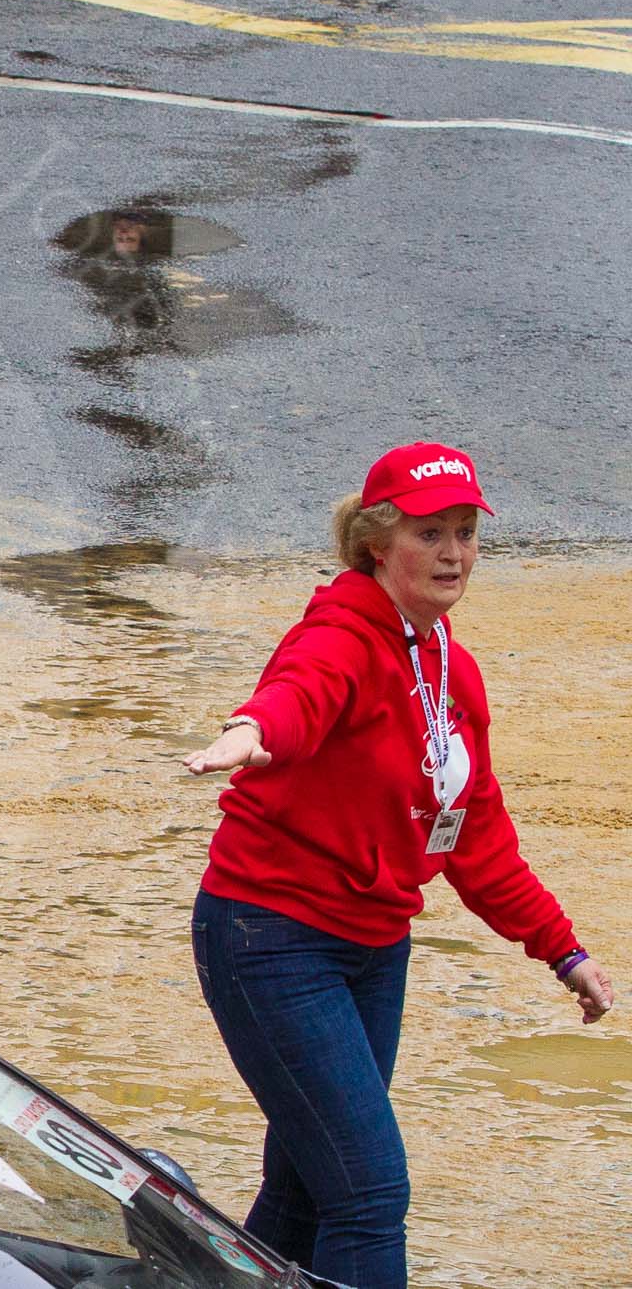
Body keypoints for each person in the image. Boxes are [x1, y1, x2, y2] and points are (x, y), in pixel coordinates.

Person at [181, 441, 613, 1289]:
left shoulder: (451, 667)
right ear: (380, 542)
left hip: (374, 948)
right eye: (430, 533)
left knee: (309, 1184)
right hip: (271, 937)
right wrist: (251, 732)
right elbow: (299, 695)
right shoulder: (340, 636)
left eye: (464, 532)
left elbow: (476, 838)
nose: (454, 552)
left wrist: (562, 950)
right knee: (371, 1192)